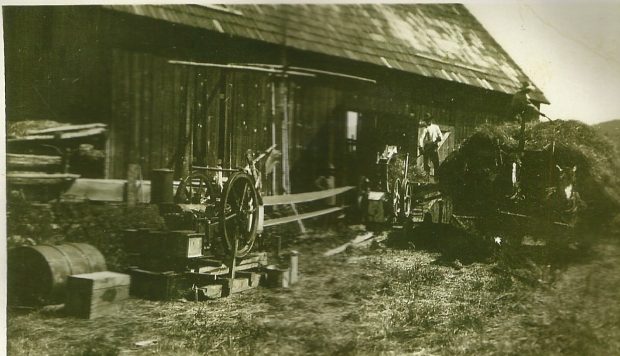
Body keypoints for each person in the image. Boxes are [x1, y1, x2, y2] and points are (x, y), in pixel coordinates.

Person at [418, 113, 443, 179]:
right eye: (426, 120)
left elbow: (440, 136)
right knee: (427, 165)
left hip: (434, 147)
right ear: (425, 121)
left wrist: (439, 138)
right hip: (427, 148)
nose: (428, 121)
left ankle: (436, 179)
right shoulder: (425, 129)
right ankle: (427, 179)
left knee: (436, 164)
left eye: (429, 120)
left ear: (431, 120)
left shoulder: (436, 127)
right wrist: (421, 147)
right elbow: (421, 138)